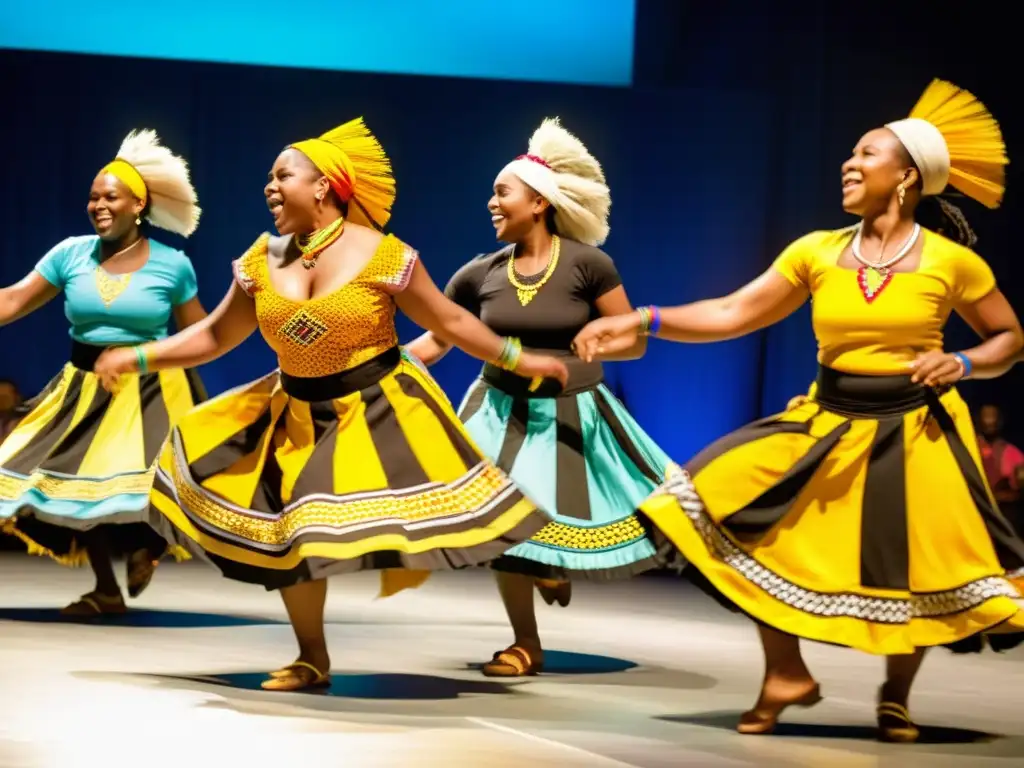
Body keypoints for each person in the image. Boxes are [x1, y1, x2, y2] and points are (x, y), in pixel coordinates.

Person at [572, 79, 1024, 742]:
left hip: (916, 428)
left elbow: (1011, 339)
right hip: (831, 417)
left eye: (866, 154)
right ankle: (785, 671)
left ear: (905, 178)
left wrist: (963, 362)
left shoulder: (953, 263)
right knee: (730, 506)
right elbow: (733, 312)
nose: (849, 162)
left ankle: (896, 696)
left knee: (910, 568)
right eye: (850, 152)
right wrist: (646, 319)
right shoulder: (816, 250)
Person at [92, 117, 568, 692]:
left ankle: (542, 565)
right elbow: (213, 337)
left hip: (378, 408)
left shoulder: (386, 255)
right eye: (268, 177)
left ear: (323, 186)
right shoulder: (261, 258)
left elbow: (451, 321)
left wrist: (521, 359)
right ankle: (311, 657)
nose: (269, 187)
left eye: (282, 175)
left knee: (444, 522)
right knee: (292, 529)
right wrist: (137, 357)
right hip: (294, 410)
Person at [406, 118, 675, 677]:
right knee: (505, 527)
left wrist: (598, 343)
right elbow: (439, 339)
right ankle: (525, 641)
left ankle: (553, 563)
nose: (491, 202)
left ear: (538, 203)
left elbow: (632, 344)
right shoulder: (478, 274)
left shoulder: (587, 265)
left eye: (502, 192)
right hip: (498, 412)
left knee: (546, 522)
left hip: (571, 415)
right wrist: (388, 365)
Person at [0, 130, 207, 616]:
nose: (98, 205)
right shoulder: (70, 254)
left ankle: (149, 548)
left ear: (139, 204)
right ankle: (105, 588)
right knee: (71, 486)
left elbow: (200, 336)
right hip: (84, 385)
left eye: (110, 196)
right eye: (93, 197)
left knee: (151, 484)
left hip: (154, 390)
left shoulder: (172, 265)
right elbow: (12, 299)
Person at [977, 403, 1024, 534]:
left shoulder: (1011, 453)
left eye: (992, 417)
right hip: (976, 512)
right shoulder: (970, 449)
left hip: (1004, 514)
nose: (989, 421)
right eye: (986, 417)